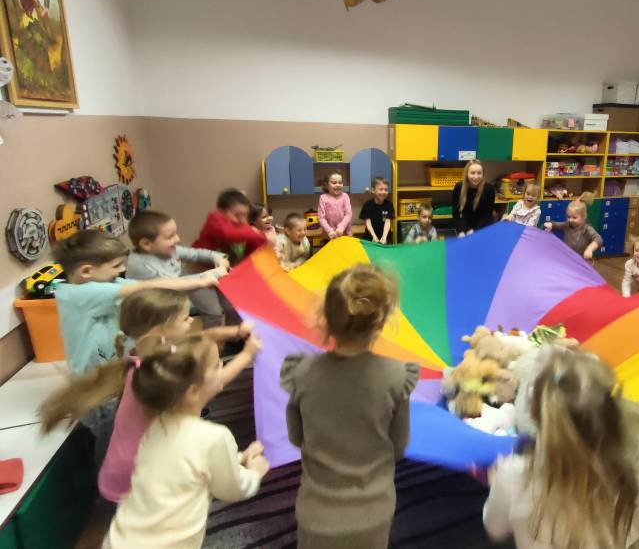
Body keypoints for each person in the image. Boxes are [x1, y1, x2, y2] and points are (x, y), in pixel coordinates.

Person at [39, 288, 260, 505]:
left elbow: (200, 338)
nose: (192, 321)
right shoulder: (165, 374)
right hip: (139, 484)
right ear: (159, 331)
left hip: (123, 469)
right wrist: (247, 354)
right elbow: (212, 383)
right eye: (185, 319)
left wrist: (235, 331)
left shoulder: (147, 357)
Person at [483, 348, 639, 548]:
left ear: (533, 413)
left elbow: (495, 526)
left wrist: (500, 484)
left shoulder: (514, 475)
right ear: (612, 412)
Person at [52, 230, 219, 469]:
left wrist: (204, 276)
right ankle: (109, 483)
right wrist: (201, 281)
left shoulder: (105, 283)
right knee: (111, 442)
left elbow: (151, 287)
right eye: (116, 266)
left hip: (113, 377)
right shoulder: (78, 294)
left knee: (125, 428)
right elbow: (149, 285)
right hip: (98, 388)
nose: (122, 270)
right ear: (87, 271)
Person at [280, 265, 419, 549]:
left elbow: (296, 437)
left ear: (327, 317)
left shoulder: (301, 372)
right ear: (380, 322)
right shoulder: (395, 376)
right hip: (373, 515)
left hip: (316, 516)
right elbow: (399, 445)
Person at [105, 335, 269, 548]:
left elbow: (190, 465)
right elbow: (233, 488)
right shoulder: (214, 437)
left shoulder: (155, 425)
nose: (222, 366)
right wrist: (254, 472)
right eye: (216, 366)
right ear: (192, 391)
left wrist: (238, 458)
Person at [126, 210, 230, 327]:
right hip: (158, 307)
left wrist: (218, 257)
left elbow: (195, 254)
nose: (177, 239)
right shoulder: (143, 266)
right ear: (146, 244)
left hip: (180, 285)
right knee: (211, 312)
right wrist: (214, 273)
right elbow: (174, 285)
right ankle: (210, 335)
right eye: (170, 237)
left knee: (219, 306)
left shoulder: (169, 250)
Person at [193, 189, 274, 265]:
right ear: (221, 212)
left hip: (223, 266)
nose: (242, 220)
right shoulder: (214, 219)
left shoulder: (242, 225)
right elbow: (229, 234)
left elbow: (254, 245)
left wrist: (265, 243)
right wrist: (263, 236)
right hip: (199, 265)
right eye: (237, 215)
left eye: (245, 215)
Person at [542, 194, 602, 261]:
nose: (570, 220)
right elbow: (558, 225)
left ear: (583, 217)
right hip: (568, 258)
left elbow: (598, 239)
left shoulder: (586, 229)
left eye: (574, 217)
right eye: (568, 217)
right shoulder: (568, 225)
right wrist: (551, 224)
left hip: (581, 261)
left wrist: (590, 249)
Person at [452, 159, 495, 237]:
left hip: (483, 227)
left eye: (479, 173)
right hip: (465, 225)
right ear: (467, 174)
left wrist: (474, 231)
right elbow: (456, 214)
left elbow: (487, 215)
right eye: (472, 173)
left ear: (483, 174)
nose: (476, 176)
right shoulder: (459, 187)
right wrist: (461, 230)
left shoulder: (489, 189)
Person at [318, 171, 353, 240]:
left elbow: (348, 214)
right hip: (329, 236)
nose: (338, 185)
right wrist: (329, 230)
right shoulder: (323, 197)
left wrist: (341, 228)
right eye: (334, 183)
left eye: (340, 182)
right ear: (326, 185)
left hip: (345, 235)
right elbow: (321, 218)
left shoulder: (345, 196)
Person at [360, 177, 395, 244]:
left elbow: (388, 221)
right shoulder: (367, 205)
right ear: (373, 190)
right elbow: (368, 223)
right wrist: (374, 236)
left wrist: (384, 237)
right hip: (370, 238)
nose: (384, 192)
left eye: (386, 190)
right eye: (381, 189)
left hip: (386, 239)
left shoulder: (389, 205)